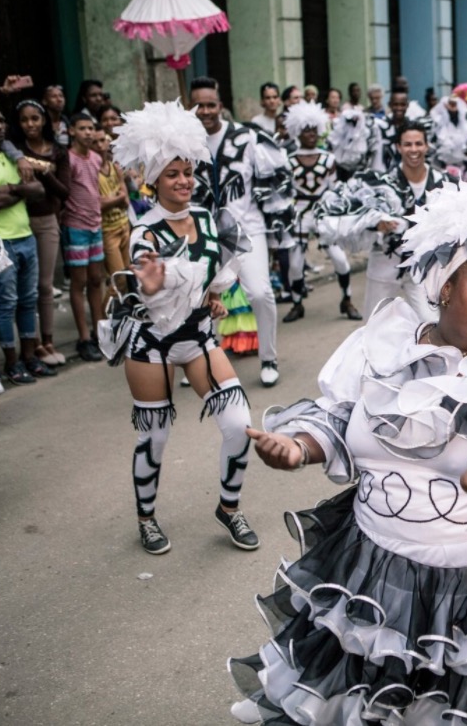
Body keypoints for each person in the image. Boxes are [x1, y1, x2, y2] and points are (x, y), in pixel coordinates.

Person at [231, 181, 467, 725]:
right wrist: (298, 447)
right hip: (377, 573)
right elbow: (338, 417)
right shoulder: (380, 346)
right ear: (445, 286)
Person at [102, 100, 259, 556]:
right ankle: (146, 518)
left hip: (196, 339)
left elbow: (215, 270)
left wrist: (212, 294)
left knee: (238, 423)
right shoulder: (143, 233)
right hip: (151, 344)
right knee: (154, 435)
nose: (185, 181)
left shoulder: (209, 219)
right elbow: (152, 287)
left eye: (188, 172)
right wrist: (158, 280)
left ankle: (229, 509)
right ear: (153, 180)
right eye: (173, 173)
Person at [188, 76, 294, 387]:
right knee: (196, 297)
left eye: (210, 105)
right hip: (204, 231)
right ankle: (200, 357)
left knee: (260, 292)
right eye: (198, 106)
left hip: (248, 229)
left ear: (220, 106)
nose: (205, 111)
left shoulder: (247, 138)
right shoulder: (185, 143)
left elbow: (275, 178)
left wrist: (277, 228)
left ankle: (268, 357)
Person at [360, 121, 457, 320]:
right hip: (385, 263)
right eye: (408, 144)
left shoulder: (444, 183)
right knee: (373, 325)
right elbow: (361, 220)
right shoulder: (383, 184)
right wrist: (378, 226)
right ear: (398, 147)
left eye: (418, 144)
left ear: (427, 146)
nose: (413, 150)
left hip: (423, 267)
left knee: (433, 323)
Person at [0, 103, 51, 385]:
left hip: (25, 235)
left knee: (27, 300)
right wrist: (20, 191)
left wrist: (11, 188)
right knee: (6, 303)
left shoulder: (14, 158)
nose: (0, 125)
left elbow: (38, 190)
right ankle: (12, 363)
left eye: (1, 120)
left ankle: (29, 357)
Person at [284, 102, 362, 321]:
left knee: (340, 259)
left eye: (313, 129)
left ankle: (347, 299)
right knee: (295, 264)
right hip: (299, 213)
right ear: (297, 131)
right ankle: (297, 303)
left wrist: (337, 214)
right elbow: (286, 191)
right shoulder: (288, 160)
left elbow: (334, 188)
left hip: (323, 212)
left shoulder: (328, 159)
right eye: (305, 129)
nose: (310, 134)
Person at [10, 99, 70, 367]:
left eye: (35, 118)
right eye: (24, 120)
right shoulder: (14, 150)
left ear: (44, 120)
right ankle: (30, 344)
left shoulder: (58, 151)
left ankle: (47, 341)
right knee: (26, 289)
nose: (30, 124)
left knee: (45, 286)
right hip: (19, 222)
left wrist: (43, 171)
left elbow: (65, 192)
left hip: (47, 222)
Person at [60, 111, 106, 362]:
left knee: (96, 279)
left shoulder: (96, 158)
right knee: (79, 282)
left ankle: (100, 333)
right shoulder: (68, 159)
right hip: (75, 226)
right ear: (71, 131)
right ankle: (84, 338)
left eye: (91, 128)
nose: (88, 132)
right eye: (82, 128)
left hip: (95, 226)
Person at [94, 125, 131, 291]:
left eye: (102, 140)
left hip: (124, 225)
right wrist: (118, 198)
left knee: (131, 276)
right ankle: (105, 315)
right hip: (108, 230)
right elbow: (98, 204)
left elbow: (126, 199)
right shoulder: (92, 171)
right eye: (95, 142)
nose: (100, 145)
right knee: (119, 280)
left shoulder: (114, 167)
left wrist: (113, 199)